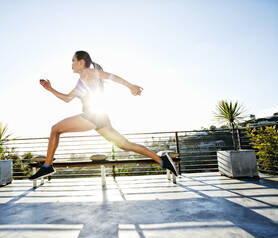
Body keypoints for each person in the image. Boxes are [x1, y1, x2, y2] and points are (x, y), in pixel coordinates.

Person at [29, 51, 177, 180]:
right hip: (99, 119)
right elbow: (67, 98)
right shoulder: (82, 79)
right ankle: (162, 160)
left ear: (82, 62)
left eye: (73, 61)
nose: (71, 64)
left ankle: (47, 165)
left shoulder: (89, 72)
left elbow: (111, 76)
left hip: (92, 116)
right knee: (126, 145)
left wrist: (131, 86)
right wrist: (50, 89)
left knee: (55, 129)